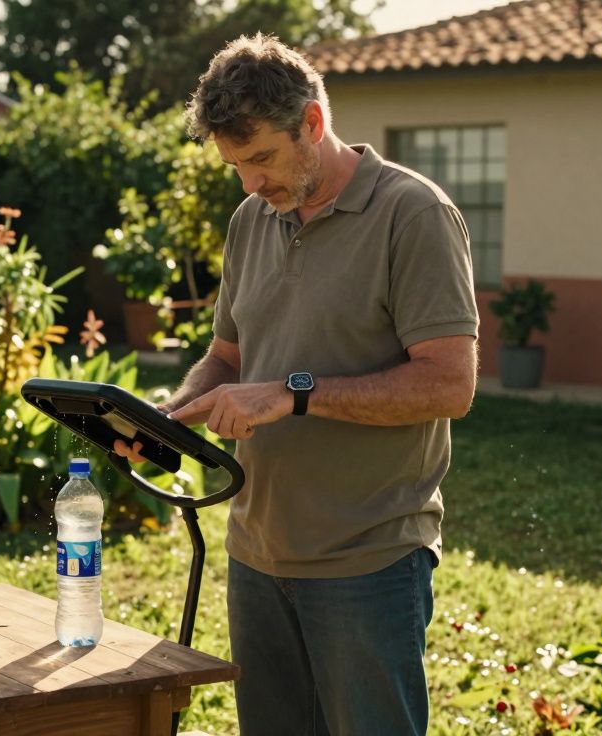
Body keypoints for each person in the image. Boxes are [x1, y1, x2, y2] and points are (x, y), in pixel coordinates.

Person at [114, 34, 479, 735]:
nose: (250, 183)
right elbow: (227, 357)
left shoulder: (413, 214)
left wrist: (295, 392)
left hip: (367, 558)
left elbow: (448, 385)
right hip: (256, 553)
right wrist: (168, 420)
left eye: (261, 159)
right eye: (236, 166)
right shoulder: (252, 219)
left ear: (312, 123)